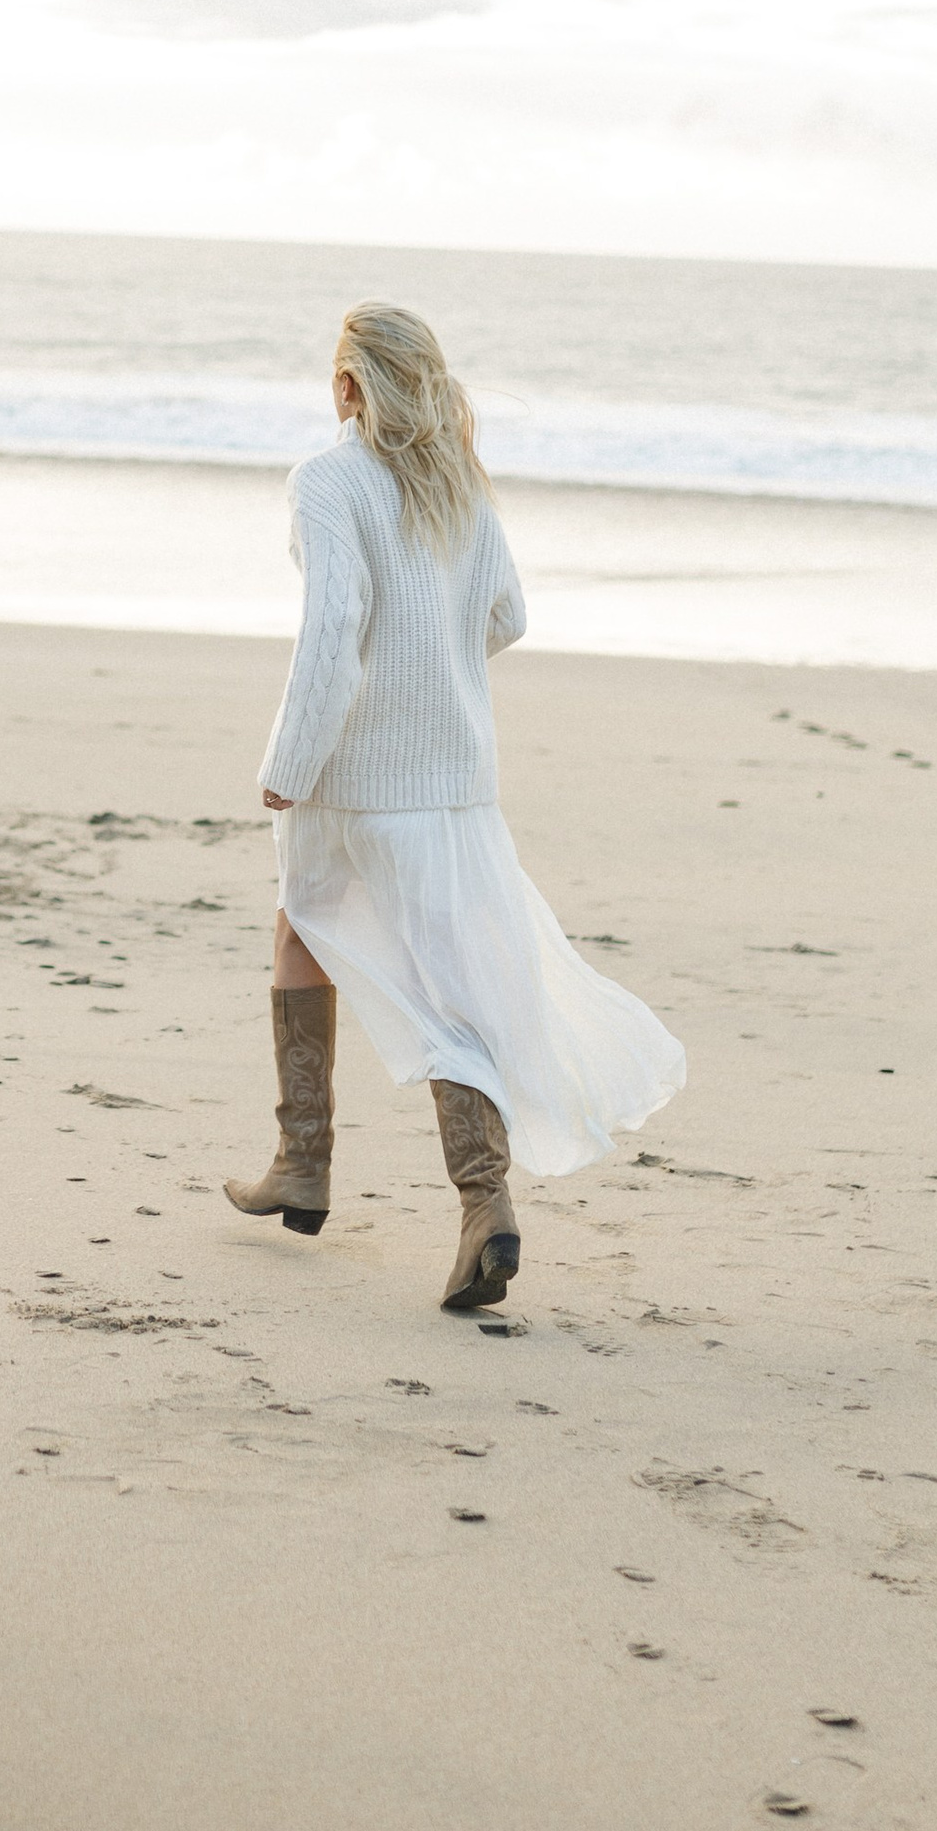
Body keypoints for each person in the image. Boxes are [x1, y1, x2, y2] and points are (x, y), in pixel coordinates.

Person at [226, 301, 684, 1312]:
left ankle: (309, 1162)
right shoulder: (458, 486)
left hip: (354, 780)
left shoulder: (327, 479)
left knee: (310, 932)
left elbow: (334, 623)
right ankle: (477, 1200)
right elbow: (507, 617)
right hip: (455, 782)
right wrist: (431, 677)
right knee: (442, 981)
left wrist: (292, 758)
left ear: (349, 386)